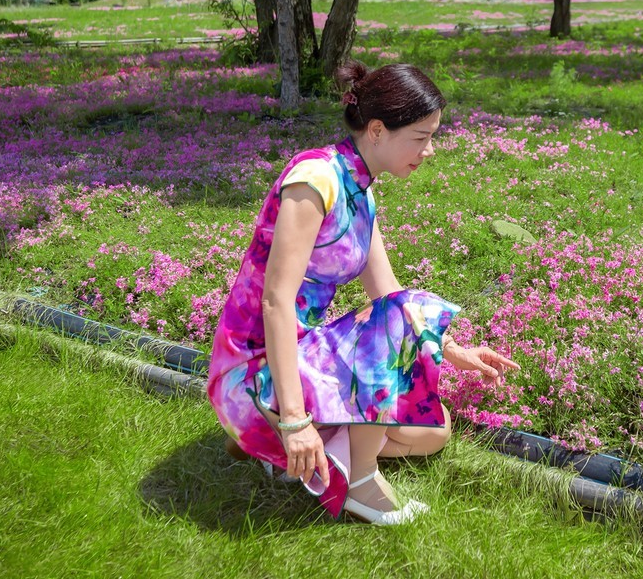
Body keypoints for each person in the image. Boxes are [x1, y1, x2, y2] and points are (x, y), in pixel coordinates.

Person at [206, 61, 519, 525]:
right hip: (256, 367)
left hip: (300, 355)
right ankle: (355, 477)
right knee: (394, 339)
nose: (429, 150)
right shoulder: (316, 181)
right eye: (421, 136)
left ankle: (293, 447)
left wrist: (454, 350)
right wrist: (294, 419)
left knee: (434, 432)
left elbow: (387, 291)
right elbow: (275, 302)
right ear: (377, 130)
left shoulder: (361, 193)